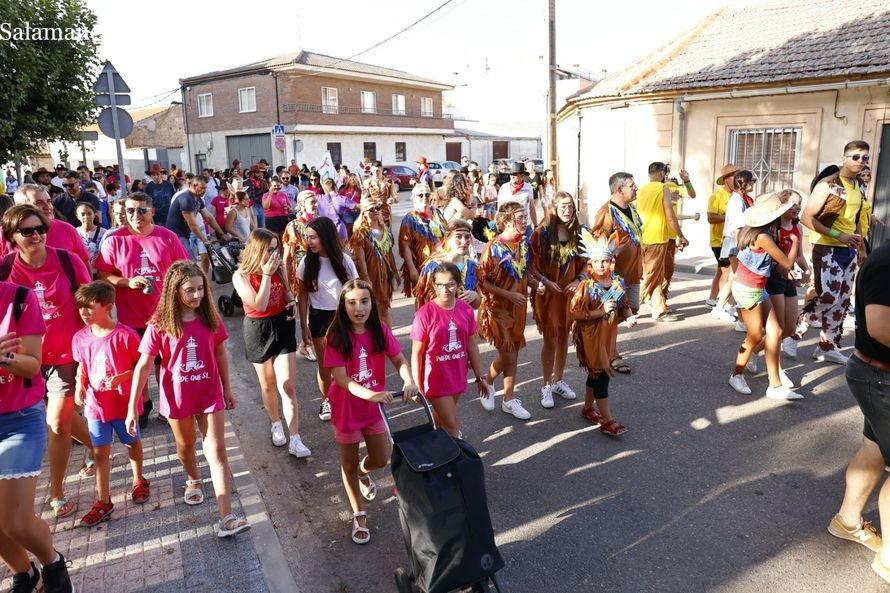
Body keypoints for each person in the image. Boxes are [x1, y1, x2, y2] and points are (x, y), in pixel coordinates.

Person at [126, 260, 251, 538]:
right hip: (177, 398)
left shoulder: (210, 318)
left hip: (209, 394)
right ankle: (193, 478)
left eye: (200, 289)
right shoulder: (159, 324)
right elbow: (144, 365)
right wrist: (133, 405)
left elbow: (220, 353)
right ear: (174, 291)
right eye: (189, 290)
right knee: (186, 445)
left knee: (217, 452)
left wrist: (227, 389)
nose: (196, 295)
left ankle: (226, 517)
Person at [1, 204, 94, 519]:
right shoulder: (5, 268)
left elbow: (90, 304)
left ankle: (56, 490)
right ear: (12, 237)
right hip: (23, 359)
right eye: (27, 231)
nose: (37, 236)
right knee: (64, 420)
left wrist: (93, 352)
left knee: (56, 421)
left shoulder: (68, 261)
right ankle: (96, 447)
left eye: (40, 229)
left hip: (63, 356)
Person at [324, 279, 419, 544]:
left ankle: (363, 474)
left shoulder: (381, 330)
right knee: (348, 462)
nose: (359, 308)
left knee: (380, 458)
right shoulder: (336, 336)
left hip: (373, 407)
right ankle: (359, 513)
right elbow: (341, 379)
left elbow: (399, 359)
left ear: (371, 304)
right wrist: (373, 394)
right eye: (351, 302)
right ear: (343, 306)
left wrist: (409, 381)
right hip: (347, 408)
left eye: (364, 301)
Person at [0, 280, 76, 593]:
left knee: (15, 521)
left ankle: (52, 563)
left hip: (17, 419)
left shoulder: (18, 297)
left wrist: (3, 358)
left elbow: (32, 366)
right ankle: (23, 572)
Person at [95, 192, 191, 427]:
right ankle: (145, 404)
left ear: (152, 212)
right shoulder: (115, 240)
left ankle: (167, 407)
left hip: (165, 315)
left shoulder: (167, 237)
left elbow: (185, 270)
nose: (135, 215)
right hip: (131, 318)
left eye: (141, 210)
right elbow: (103, 275)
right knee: (139, 365)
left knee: (166, 364)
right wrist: (128, 282)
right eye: (130, 211)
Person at [828, 238, 890, 583]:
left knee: (875, 448)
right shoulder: (887, 262)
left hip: (878, 375)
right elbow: (881, 326)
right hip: (880, 375)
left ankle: (848, 521)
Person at [72, 281, 149, 528]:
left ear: (108, 307)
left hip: (123, 405)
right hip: (96, 406)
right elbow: (82, 365)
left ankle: (138, 479)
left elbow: (141, 367)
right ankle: (103, 500)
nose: (83, 313)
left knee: (131, 443)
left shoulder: (125, 335)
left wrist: (121, 378)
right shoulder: (80, 337)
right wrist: (79, 385)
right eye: (80, 308)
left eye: (89, 308)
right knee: (100, 452)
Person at [232, 229, 311, 457]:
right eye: (269, 249)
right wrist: (266, 275)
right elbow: (260, 305)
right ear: (257, 250)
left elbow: (286, 293)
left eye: (276, 248)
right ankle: (276, 423)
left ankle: (295, 438)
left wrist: (292, 302)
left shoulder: (278, 267)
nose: (274, 253)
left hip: (283, 326)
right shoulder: (242, 275)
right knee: (267, 384)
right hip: (258, 329)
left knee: (287, 384)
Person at [795, 141, 869, 365]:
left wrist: (861, 247)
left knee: (843, 299)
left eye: (865, 158)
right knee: (829, 295)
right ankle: (795, 332)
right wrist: (839, 235)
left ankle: (828, 346)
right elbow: (806, 218)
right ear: (844, 158)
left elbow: (856, 219)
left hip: (849, 249)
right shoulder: (827, 185)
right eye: (856, 157)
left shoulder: (860, 186)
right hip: (827, 247)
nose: (860, 162)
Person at [727, 193, 800, 399]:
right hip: (749, 289)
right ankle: (736, 375)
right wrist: (794, 241)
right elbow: (787, 263)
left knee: (775, 331)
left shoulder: (754, 232)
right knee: (755, 336)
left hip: (756, 287)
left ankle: (775, 385)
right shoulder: (763, 236)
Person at [570, 229, 638, 436]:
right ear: (591, 262)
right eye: (597, 261)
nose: (601, 265)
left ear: (611, 261)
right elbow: (575, 313)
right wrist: (600, 311)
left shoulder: (617, 283)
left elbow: (623, 304)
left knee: (596, 373)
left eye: (605, 261)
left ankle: (588, 408)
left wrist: (629, 316)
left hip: (608, 337)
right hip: (591, 338)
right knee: (601, 377)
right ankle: (607, 420)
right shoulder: (585, 287)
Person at [410, 262, 487, 437]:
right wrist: (417, 385)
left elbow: (471, 345)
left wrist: (479, 376)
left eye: (451, 284)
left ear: (459, 285)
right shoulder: (424, 314)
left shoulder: (466, 309)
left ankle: (437, 445)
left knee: (442, 417)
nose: (445, 289)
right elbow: (417, 353)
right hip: (436, 378)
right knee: (452, 424)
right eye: (440, 285)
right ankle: (458, 458)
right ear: (433, 285)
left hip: (457, 374)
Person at [296, 217, 359, 422]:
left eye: (313, 237)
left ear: (326, 237)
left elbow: (356, 290)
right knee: (325, 368)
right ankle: (327, 400)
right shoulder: (307, 262)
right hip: (319, 318)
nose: (310, 241)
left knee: (350, 363)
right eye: (308, 237)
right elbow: (302, 294)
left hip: (344, 316)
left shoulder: (344, 260)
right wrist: (304, 324)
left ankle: (351, 398)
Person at [477, 202, 533, 420]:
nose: (525, 221)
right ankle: (487, 382)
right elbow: (483, 282)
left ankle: (508, 400)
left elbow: (526, 272)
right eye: (520, 217)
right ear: (507, 221)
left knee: (513, 354)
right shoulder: (493, 247)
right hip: (498, 309)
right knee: (509, 353)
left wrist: (536, 284)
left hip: (518, 308)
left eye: (525, 217)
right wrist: (509, 295)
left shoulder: (523, 245)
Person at [531, 191, 586, 408]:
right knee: (550, 339)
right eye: (563, 206)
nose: (567, 210)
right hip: (548, 295)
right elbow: (530, 266)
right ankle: (546, 385)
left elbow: (586, 261)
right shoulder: (541, 234)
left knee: (564, 336)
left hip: (568, 295)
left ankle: (559, 381)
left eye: (570, 206)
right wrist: (544, 280)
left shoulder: (579, 232)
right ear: (554, 208)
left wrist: (578, 280)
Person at [592, 173, 643, 374]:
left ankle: (603, 342)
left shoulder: (631, 208)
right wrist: (605, 277)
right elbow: (599, 246)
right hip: (614, 278)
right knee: (613, 314)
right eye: (632, 185)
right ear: (620, 189)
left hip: (633, 272)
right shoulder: (606, 212)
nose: (636, 188)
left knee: (633, 308)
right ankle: (612, 355)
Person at [636, 162, 689, 322]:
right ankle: (628, 306)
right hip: (657, 237)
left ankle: (659, 309)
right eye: (665, 172)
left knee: (656, 275)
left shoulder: (642, 189)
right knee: (651, 276)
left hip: (644, 236)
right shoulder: (662, 188)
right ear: (661, 173)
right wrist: (681, 235)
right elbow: (670, 216)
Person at [711, 170, 757, 326]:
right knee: (737, 279)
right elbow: (738, 227)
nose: (753, 183)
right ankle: (727, 310)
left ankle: (720, 307)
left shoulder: (741, 199)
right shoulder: (736, 201)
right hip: (737, 242)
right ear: (743, 183)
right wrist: (743, 248)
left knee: (733, 277)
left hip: (738, 241)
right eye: (751, 181)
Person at [350, 200, 398, 327]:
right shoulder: (360, 233)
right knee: (371, 311)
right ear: (364, 213)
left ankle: (389, 341)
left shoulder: (385, 230)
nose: (376, 211)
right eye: (371, 209)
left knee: (384, 308)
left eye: (377, 208)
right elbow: (360, 260)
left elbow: (390, 254)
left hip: (385, 276)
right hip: (371, 275)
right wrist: (366, 279)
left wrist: (394, 274)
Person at [413, 220, 481, 309]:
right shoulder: (433, 267)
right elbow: (421, 302)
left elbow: (476, 305)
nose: (464, 242)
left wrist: (475, 295)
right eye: (458, 237)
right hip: (439, 320)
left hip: (463, 320)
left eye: (467, 237)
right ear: (447, 239)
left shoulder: (471, 266)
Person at [398, 184, 446, 304]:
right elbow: (405, 246)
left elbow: (447, 235)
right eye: (420, 195)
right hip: (421, 266)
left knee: (440, 299)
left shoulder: (438, 214)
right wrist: (412, 269)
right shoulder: (410, 219)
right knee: (422, 299)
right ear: (413, 197)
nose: (424, 197)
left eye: (427, 194)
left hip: (441, 263)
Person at [706, 165, 738, 309]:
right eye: (734, 176)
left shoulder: (737, 196)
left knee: (721, 271)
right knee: (727, 272)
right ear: (726, 179)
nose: (737, 180)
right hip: (719, 241)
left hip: (732, 239)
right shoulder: (716, 196)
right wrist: (730, 216)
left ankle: (712, 300)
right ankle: (723, 305)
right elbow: (711, 218)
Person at [497, 162, 537, 227]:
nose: (512, 176)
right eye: (511, 174)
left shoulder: (528, 187)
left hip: (526, 225)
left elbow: (531, 207)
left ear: (522, 176)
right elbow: (499, 209)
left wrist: (535, 225)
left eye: (515, 174)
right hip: (510, 226)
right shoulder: (504, 187)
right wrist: (498, 226)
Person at [362, 161, 398, 229]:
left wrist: (392, 200)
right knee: (374, 236)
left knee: (387, 235)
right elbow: (363, 201)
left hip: (385, 213)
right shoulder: (367, 182)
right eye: (374, 170)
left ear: (382, 169)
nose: (376, 172)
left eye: (378, 170)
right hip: (373, 213)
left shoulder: (389, 182)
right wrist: (365, 197)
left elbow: (396, 198)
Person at [337, 173, 362, 238]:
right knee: (349, 229)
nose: (353, 180)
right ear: (348, 180)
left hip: (358, 212)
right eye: (351, 179)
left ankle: (357, 242)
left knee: (358, 229)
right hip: (347, 213)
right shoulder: (343, 190)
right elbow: (339, 201)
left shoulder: (360, 190)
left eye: (354, 179)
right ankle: (350, 243)